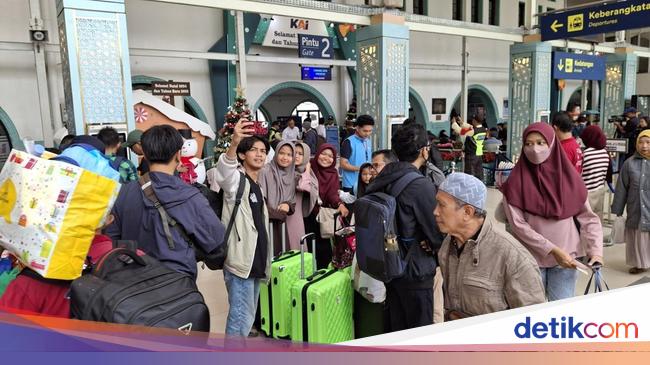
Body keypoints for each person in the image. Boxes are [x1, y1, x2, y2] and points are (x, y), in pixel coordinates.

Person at [501, 122, 603, 301]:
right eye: (529, 143)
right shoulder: (514, 184)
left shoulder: (571, 179)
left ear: (552, 144)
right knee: (532, 314)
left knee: (561, 314)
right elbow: (518, 226)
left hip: (567, 260)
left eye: (541, 143)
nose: (535, 149)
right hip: (529, 260)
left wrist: (596, 251)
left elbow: (588, 218)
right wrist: (552, 249)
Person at [106, 125, 225, 279]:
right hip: (176, 283)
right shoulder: (189, 195)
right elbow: (214, 238)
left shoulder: (123, 193)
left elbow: (111, 238)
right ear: (178, 155)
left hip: (132, 284)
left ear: (145, 156)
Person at [365, 123, 444, 330]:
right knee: (419, 331)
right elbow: (436, 231)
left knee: (396, 326)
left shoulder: (384, 176)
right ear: (423, 151)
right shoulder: (420, 185)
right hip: (415, 270)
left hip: (389, 265)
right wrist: (433, 244)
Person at [435, 173, 545, 320]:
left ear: (467, 212)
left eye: (441, 205)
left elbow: (534, 322)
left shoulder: (512, 257)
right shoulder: (448, 245)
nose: (435, 212)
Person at [209, 119, 273, 337]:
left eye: (263, 151)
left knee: (246, 318)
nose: (259, 154)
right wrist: (234, 143)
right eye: (253, 150)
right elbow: (224, 173)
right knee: (239, 319)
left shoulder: (258, 186)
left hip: (254, 261)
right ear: (243, 155)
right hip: (240, 261)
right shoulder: (237, 181)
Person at [612, 130, 650, 274]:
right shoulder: (629, 163)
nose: (644, 146)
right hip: (637, 208)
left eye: (648, 142)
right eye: (641, 142)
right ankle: (639, 264)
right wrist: (618, 210)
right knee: (638, 238)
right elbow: (621, 188)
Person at [309, 144, 349, 269]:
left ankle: (322, 274)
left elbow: (332, 194)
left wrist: (339, 204)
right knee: (307, 246)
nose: (326, 158)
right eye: (323, 154)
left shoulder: (333, 173)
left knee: (323, 248)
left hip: (322, 216)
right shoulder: (309, 167)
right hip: (306, 213)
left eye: (330, 156)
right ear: (317, 153)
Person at [258, 141, 296, 255]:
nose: (285, 157)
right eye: (282, 153)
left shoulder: (291, 174)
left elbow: (292, 200)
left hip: (281, 224)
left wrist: (288, 205)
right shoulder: (265, 171)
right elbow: (260, 200)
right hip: (267, 222)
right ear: (276, 154)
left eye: (289, 155)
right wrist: (276, 213)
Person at [286, 142, 319, 250]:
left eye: (300, 153)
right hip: (279, 215)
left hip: (295, 216)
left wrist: (307, 170)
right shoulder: (284, 171)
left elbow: (303, 186)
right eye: (294, 153)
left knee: (295, 245)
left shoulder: (309, 174)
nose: (296, 156)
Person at [581, 126, 612, 221]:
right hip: (600, 190)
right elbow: (608, 174)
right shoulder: (605, 153)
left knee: (585, 221)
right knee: (597, 220)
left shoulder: (585, 154)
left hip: (586, 194)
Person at [340, 115, 375, 193]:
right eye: (365, 131)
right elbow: (343, 164)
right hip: (351, 184)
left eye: (370, 131)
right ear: (357, 128)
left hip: (365, 182)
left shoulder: (368, 141)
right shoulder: (348, 142)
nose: (368, 134)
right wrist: (362, 169)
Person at [463, 116, 487, 181]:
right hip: (479, 153)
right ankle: (479, 187)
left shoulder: (473, 131)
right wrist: (462, 123)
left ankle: (470, 188)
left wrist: (454, 123)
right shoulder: (483, 130)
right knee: (478, 172)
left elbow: (461, 131)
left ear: (474, 121)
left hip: (471, 154)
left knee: (470, 173)